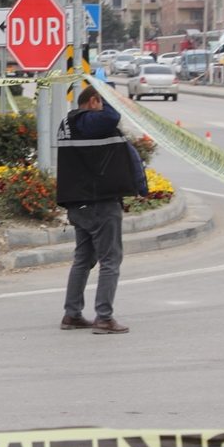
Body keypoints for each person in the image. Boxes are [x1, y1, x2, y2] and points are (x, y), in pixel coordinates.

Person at [55, 85, 148, 334]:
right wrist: (109, 97)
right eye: (105, 102)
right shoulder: (89, 121)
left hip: (79, 203)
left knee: (83, 260)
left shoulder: (70, 122)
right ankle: (104, 318)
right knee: (110, 260)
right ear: (95, 101)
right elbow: (111, 117)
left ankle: (72, 314)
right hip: (99, 204)